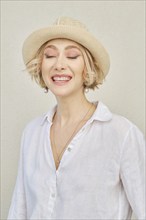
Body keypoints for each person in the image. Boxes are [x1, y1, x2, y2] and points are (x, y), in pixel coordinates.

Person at [8, 16, 145, 220]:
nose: (59, 64)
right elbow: (19, 210)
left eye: (72, 56)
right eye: (50, 55)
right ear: (40, 65)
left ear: (87, 67)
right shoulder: (32, 133)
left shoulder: (121, 134)